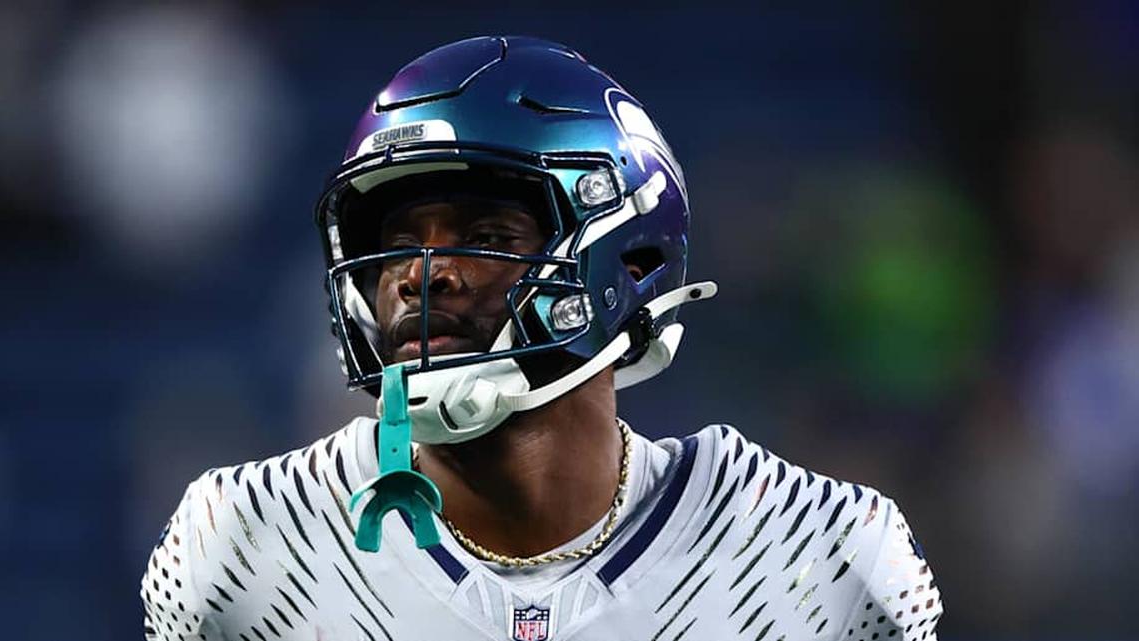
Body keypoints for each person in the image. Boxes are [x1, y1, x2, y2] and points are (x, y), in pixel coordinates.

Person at [141, 36, 942, 641]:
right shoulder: (241, 547)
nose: (422, 275)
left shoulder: (824, 558)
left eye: (482, 231)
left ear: (624, 256)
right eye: (397, 239)